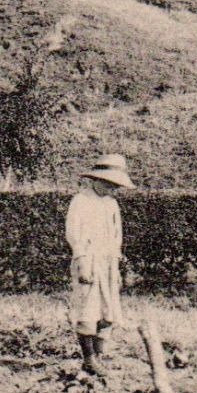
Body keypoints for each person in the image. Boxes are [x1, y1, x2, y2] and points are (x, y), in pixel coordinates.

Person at [65, 153, 133, 375]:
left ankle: (100, 355)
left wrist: (117, 265)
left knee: (108, 310)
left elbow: (116, 236)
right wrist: (82, 261)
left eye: (115, 186)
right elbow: (74, 234)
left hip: (108, 262)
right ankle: (89, 358)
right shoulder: (81, 201)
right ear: (95, 180)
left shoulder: (111, 204)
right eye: (107, 184)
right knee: (88, 309)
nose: (111, 189)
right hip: (89, 259)